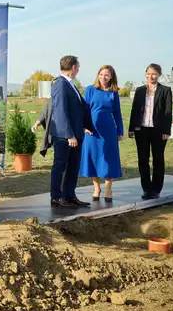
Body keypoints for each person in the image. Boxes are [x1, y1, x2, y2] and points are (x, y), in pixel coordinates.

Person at [48, 55, 93, 209]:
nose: (79, 69)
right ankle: (56, 197)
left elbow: (76, 109)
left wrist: (84, 126)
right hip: (64, 136)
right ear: (73, 67)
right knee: (60, 166)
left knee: (73, 166)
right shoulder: (60, 84)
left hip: (76, 134)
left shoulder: (70, 84)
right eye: (78, 67)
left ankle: (69, 195)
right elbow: (60, 111)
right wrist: (69, 135)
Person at [79, 65, 124, 202]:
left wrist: (120, 130)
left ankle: (108, 189)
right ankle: (96, 189)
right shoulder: (90, 89)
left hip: (109, 130)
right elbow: (84, 110)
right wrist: (84, 126)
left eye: (106, 75)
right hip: (92, 130)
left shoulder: (113, 93)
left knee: (108, 158)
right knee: (94, 158)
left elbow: (117, 113)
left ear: (111, 77)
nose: (103, 77)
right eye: (101, 74)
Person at [128, 63, 173, 200]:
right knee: (143, 160)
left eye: (154, 73)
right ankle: (146, 188)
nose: (151, 76)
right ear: (145, 74)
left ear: (159, 75)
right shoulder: (140, 90)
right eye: (148, 73)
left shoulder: (165, 90)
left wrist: (166, 130)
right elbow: (135, 110)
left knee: (158, 160)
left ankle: (156, 189)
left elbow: (167, 112)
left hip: (158, 131)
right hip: (141, 129)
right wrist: (131, 128)